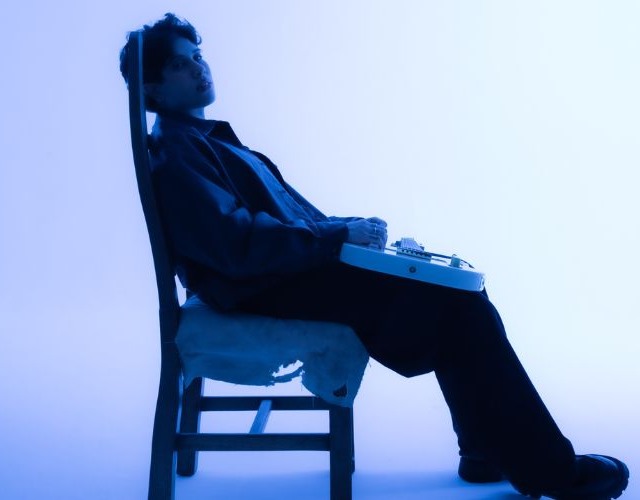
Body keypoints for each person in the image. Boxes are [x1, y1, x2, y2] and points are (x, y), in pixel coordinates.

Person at [120, 13, 629, 499]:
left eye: (198, 55)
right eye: (181, 63)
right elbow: (237, 245)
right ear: (152, 89)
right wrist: (340, 237)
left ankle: (482, 450)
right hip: (261, 288)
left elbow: (284, 222)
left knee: (454, 291)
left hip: (279, 275)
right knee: (458, 307)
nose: (199, 66)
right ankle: (550, 470)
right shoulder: (179, 151)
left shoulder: (205, 142)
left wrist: (352, 231)